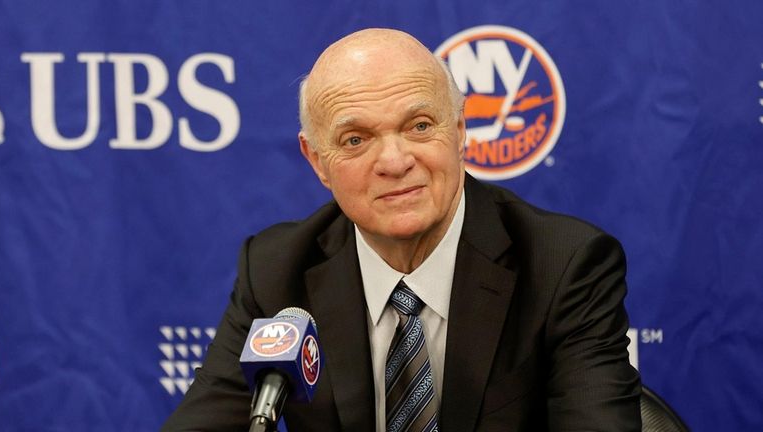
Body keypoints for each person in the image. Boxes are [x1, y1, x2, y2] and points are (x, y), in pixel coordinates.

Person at [163, 28, 641, 431]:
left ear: (459, 130)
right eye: (356, 139)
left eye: (418, 126)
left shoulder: (564, 266)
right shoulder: (276, 269)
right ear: (317, 161)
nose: (394, 162)